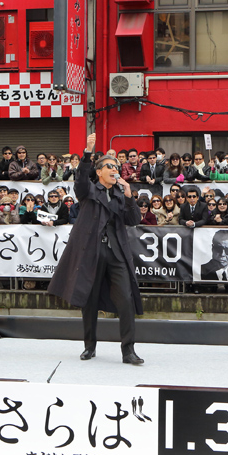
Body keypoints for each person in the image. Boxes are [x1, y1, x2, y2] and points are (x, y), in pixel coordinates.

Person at [48, 133, 144, 365]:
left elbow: (133, 220)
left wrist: (130, 197)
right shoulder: (89, 190)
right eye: (110, 166)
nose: (115, 169)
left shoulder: (122, 194)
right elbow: (81, 178)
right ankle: (89, 346)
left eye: (117, 167)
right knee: (88, 299)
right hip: (91, 251)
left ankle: (128, 351)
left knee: (126, 299)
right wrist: (88, 152)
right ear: (99, 172)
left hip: (117, 252)